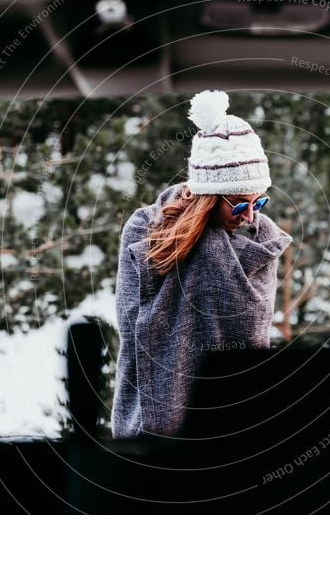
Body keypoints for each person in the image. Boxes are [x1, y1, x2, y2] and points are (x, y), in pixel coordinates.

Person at [111, 90, 293, 439]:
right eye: (239, 204)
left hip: (239, 420)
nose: (250, 216)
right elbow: (131, 325)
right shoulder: (146, 231)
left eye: (260, 201)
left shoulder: (261, 242)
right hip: (154, 418)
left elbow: (255, 340)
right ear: (208, 196)